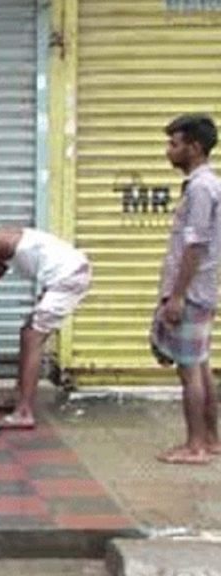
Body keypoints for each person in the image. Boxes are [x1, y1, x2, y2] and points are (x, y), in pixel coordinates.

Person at [0, 212, 91, 430]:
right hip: (67, 277)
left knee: (32, 337)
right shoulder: (4, 247)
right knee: (27, 333)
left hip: (67, 278)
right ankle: (20, 399)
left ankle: (24, 412)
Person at [150, 113, 220, 465]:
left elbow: (195, 245)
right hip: (201, 289)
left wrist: (176, 296)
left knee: (188, 369)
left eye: (174, 144)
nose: (168, 151)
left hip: (191, 293)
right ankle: (210, 439)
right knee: (201, 366)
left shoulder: (201, 188)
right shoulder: (204, 185)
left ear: (194, 147)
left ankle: (195, 446)